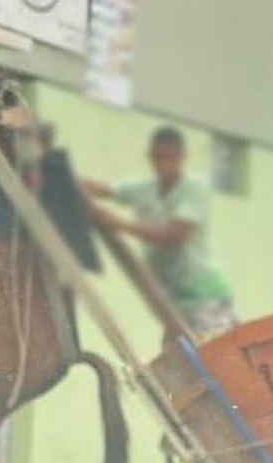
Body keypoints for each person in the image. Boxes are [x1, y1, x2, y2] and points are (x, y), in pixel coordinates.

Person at [82, 126, 236, 340]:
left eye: (170, 159)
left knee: (217, 360)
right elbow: (103, 189)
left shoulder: (194, 189)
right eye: (159, 159)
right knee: (177, 365)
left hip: (206, 297)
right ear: (151, 159)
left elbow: (176, 235)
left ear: (182, 159)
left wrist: (122, 225)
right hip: (173, 304)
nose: (164, 165)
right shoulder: (144, 189)